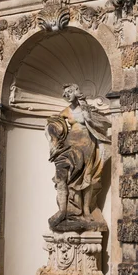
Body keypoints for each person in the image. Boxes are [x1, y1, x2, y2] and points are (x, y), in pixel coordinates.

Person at [46, 83, 110, 231]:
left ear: (76, 91)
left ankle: (86, 210)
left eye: (69, 92)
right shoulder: (65, 112)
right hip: (68, 147)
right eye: (64, 93)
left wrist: (86, 111)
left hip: (87, 145)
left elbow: (96, 123)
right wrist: (52, 132)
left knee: (87, 178)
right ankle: (64, 210)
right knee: (62, 177)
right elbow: (53, 125)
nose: (66, 95)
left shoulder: (85, 108)